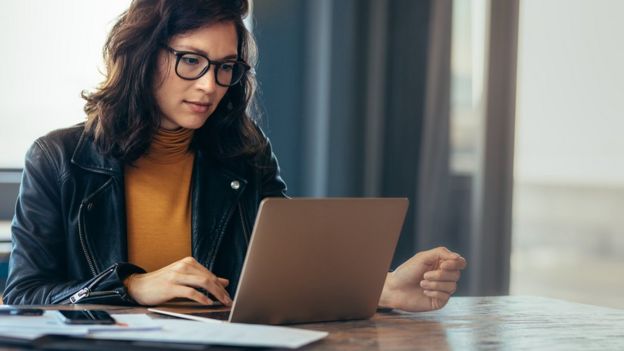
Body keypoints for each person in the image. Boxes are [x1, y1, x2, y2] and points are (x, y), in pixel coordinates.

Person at [3, 0, 466, 312]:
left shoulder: (244, 152)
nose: (209, 85)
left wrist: (382, 288)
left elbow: (286, 271)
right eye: (191, 60)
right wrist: (130, 287)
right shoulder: (59, 159)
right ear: (142, 55)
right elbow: (23, 296)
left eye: (225, 67)